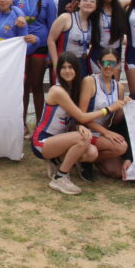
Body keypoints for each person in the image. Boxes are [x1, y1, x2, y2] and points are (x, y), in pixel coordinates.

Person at [31, 53, 103, 195]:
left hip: (59, 139)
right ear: (58, 71)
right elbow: (81, 116)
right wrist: (108, 110)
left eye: (71, 67)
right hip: (42, 141)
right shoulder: (57, 91)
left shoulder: (73, 90)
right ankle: (60, 177)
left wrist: (78, 126)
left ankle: (55, 161)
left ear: (77, 69)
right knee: (83, 138)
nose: (67, 71)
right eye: (63, 67)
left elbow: (72, 120)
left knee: (92, 153)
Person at [13, 0, 57, 138]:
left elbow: (52, 27)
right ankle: (21, 124)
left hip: (40, 47)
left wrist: (50, 55)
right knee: (22, 86)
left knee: (37, 86)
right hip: (21, 48)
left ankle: (40, 124)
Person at [78, 48, 129, 180]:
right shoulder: (89, 81)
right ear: (99, 63)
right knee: (121, 147)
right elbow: (82, 117)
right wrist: (106, 133)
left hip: (101, 133)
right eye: (105, 63)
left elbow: (114, 119)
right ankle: (84, 160)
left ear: (117, 65)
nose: (108, 67)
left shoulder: (119, 87)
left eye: (112, 63)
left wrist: (126, 106)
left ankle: (91, 157)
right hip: (86, 130)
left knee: (116, 172)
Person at [47, 0, 96, 77]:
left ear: (96, 6)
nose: (88, 3)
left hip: (82, 64)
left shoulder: (93, 23)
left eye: (92, 1)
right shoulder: (66, 18)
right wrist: (55, 63)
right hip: (64, 63)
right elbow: (51, 40)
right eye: (85, 0)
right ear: (79, 4)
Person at [89, 0, 126, 77]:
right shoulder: (94, 11)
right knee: (98, 84)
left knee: (113, 84)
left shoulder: (120, 10)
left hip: (115, 53)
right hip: (98, 54)